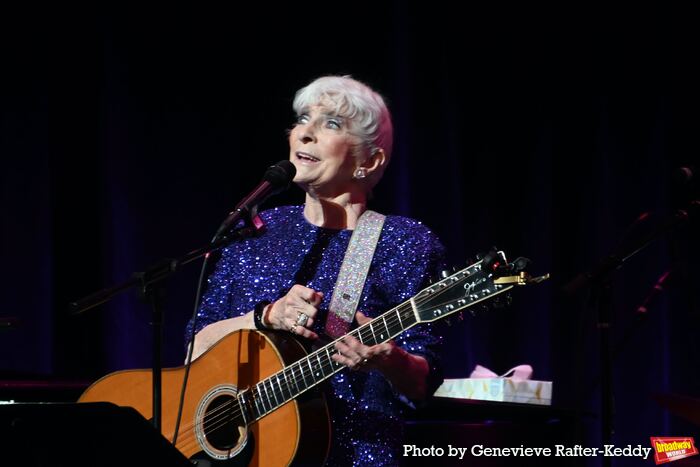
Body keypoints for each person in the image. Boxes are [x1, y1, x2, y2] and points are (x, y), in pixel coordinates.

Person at [188, 75, 446, 466]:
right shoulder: (261, 230)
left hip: (355, 454)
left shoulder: (401, 240)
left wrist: (388, 359)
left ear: (370, 161)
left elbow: (423, 382)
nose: (305, 133)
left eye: (331, 124)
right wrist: (265, 316)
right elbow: (195, 349)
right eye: (303, 118)